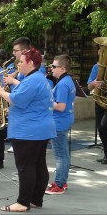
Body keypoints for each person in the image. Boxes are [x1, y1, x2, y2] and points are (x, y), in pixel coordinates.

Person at [0, 48, 56, 212]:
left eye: (21, 62)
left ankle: (22, 203)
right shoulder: (38, 78)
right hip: (39, 129)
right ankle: (36, 199)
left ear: (30, 63)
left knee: (25, 167)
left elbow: (18, 99)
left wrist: (1, 93)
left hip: (28, 130)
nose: (19, 64)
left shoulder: (32, 80)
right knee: (38, 166)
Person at [44, 54, 75, 195]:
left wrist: (45, 101)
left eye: (54, 66)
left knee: (60, 155)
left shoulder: (62, 84)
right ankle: (62, 180)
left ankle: (59, 184)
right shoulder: (68, 80)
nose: (51, 69)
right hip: (65, 120)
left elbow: (61, 106)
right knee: (64, 154)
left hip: (59, 122)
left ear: (62, 68)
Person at [5, 37, 32, 153]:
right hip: (17, 107)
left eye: (15, 50)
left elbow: (29, 87)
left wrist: (12, 81)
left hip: (26, 112)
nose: (13, 53)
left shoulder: (35, 69)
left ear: (24, 51)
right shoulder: (18, 67)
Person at [87, 50, 107, 164]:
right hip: (99, 100)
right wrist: (93, 84)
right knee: (100, 128)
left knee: (105, 126)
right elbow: (89, 87)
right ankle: (106, 154)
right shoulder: (96, 67)